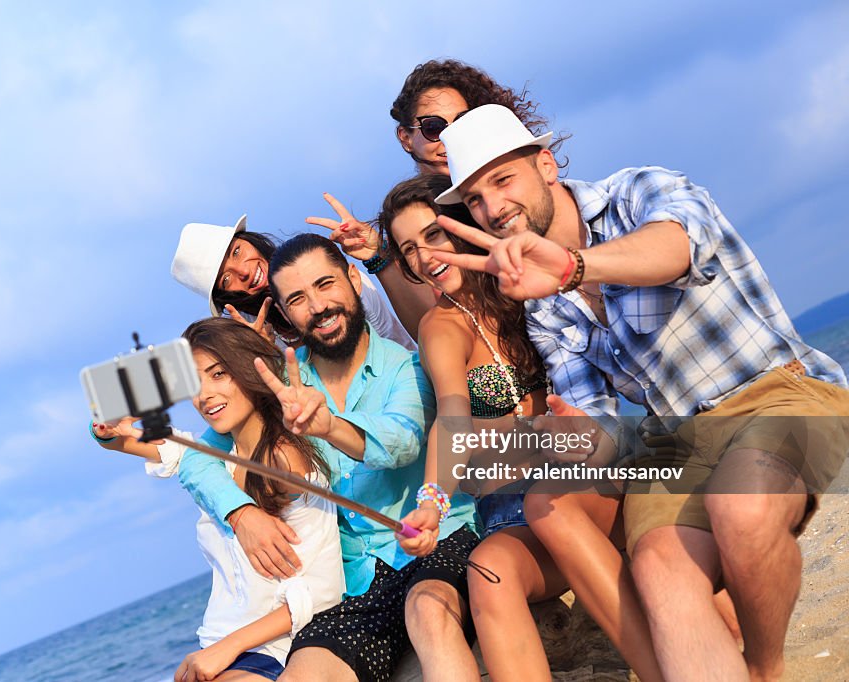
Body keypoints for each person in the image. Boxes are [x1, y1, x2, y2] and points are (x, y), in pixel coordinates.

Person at [429, 102, 849, 681]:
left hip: (774, 392)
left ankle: (765, 668)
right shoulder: (542, 306)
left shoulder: (637, 192)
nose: (492, 207)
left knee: (744, 512)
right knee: (660, 573)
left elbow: (677, 248)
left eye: (503, 180)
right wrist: (578, 440)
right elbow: (601, 429)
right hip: (673, 444)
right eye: (474, 197)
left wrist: (577, 267)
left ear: (546, 165)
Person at [379, 173, 663, 682]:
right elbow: (452, 416)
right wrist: (431, 502)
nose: (423, 257)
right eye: (408, 250)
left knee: (664, 528)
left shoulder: (526, 290)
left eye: (433, 235)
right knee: (488, 573)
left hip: (584, 481)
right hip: (510, 510)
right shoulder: (438, 328)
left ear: (463, 226)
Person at [177, 234, 483, 682]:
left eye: (326, 285)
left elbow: (403, 441)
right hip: (353, 581)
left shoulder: (407, 366)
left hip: (436, 542)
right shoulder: (278, 381)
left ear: (354, 281)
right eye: (298, 298)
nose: (318, 306)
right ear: (283, 312)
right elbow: (197, 458)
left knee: (429, 615)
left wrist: (328, 427)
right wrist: (241, 513)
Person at [91, 318, 344, 682]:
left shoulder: (283, 458)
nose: (204, 395)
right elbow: (123, 440)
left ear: (249, 370)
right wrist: (105, 425)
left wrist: (227, 648)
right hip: (218, 643)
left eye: (219, 374)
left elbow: (324, 591)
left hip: (272, 650)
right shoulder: (215, 461)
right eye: (194, 383)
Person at [308, 59, 558, 341]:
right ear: (405, 137)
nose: (450, 138)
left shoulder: (516, 196)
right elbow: (433, 332)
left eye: (462, 122)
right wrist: (377, 256)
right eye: (434, 127)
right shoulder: (407, 217)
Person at [171, 214, 415, 351]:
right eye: (226, 279)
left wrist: (377, 257)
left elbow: (395, 339)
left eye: (236, 251)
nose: (243, 271)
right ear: (226, 299)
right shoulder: (250, 334)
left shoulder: (318, 266)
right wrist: (264, 355)